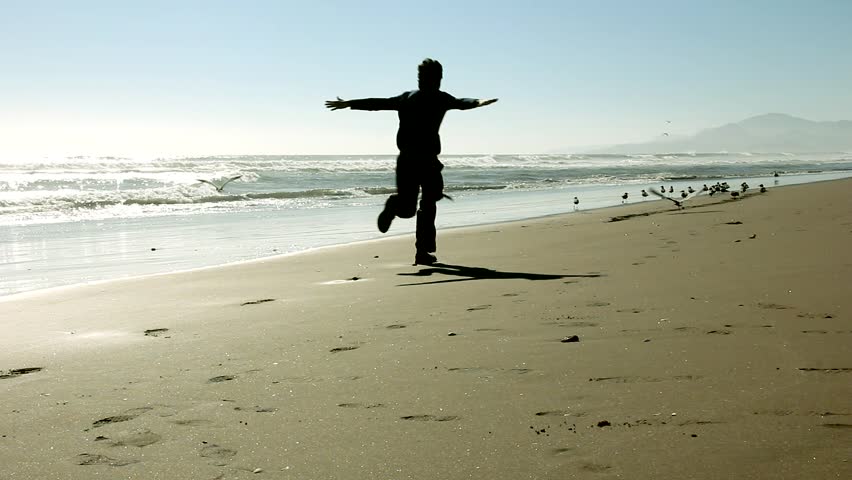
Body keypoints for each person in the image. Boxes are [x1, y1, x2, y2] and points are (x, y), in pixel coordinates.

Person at [325, 58, 497, 265]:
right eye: (424, 77)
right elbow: (379, 104)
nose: (426, 81)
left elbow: (462, 103)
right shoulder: (416, 98)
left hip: (425, 161)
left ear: (436, 79)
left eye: (429, 77)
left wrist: (477, 102)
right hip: (411, 161)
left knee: (429, 202)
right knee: (409, 210)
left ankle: (422, 252)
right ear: (426, 79)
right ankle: (394, 206)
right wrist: (351, 103)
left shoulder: (433, 98)